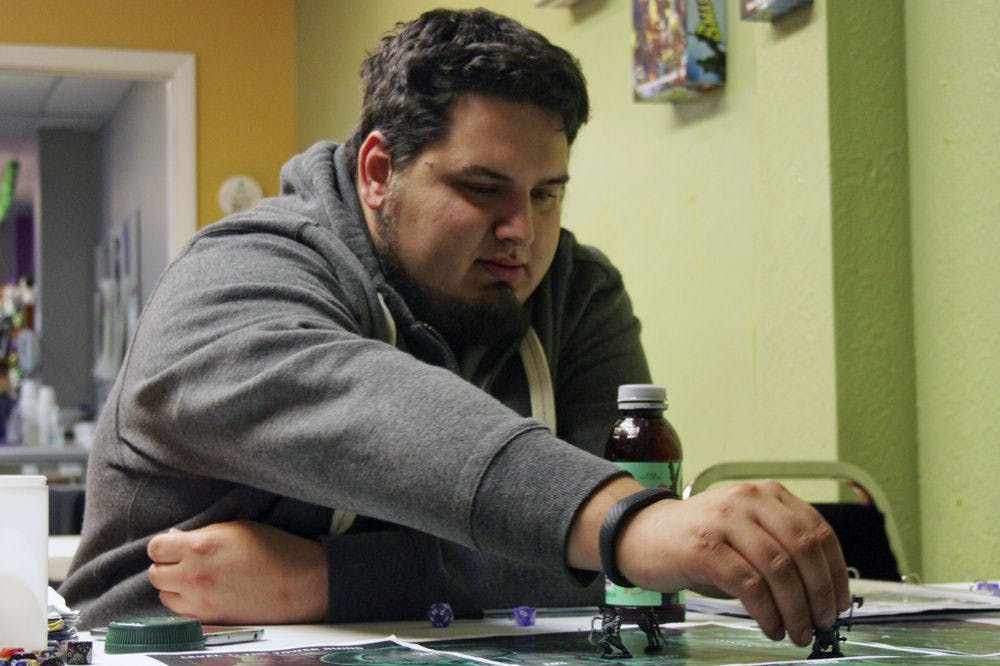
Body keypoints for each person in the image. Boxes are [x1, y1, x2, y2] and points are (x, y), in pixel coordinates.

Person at [60, 8, 849, 647]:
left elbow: (616, 573)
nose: (523, 231)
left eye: (547, 194)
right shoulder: (234, 274)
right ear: (377, 172)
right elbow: (371, 410)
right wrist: (621, 523)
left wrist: (334, 579)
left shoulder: (576, 291)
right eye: (483, 188)